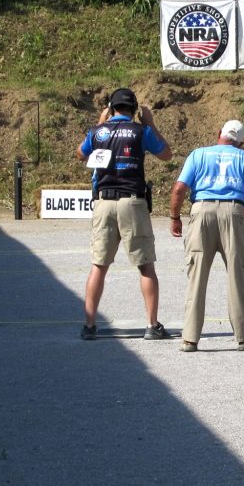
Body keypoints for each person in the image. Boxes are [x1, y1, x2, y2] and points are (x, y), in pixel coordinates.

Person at [76, 87, 173, 340]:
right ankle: (152, 325)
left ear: (110, 108)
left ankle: (88, 325)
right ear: (134, 109)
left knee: (99, 266)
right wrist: (151, 123)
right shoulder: (141, 131)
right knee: (145, 266)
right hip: (132, 201)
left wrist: (99, 124)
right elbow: (166, 153)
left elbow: (80, 153)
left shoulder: (98, 132)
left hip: (103, 202)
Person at [170, 120, 244, 352]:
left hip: (201, 211)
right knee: (238, 275)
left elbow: (179, 189)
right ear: (241, 142)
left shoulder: (198, 155)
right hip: (234, 213)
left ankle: (190, 339)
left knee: (197, 276)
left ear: (218, 133)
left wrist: (175, 216)